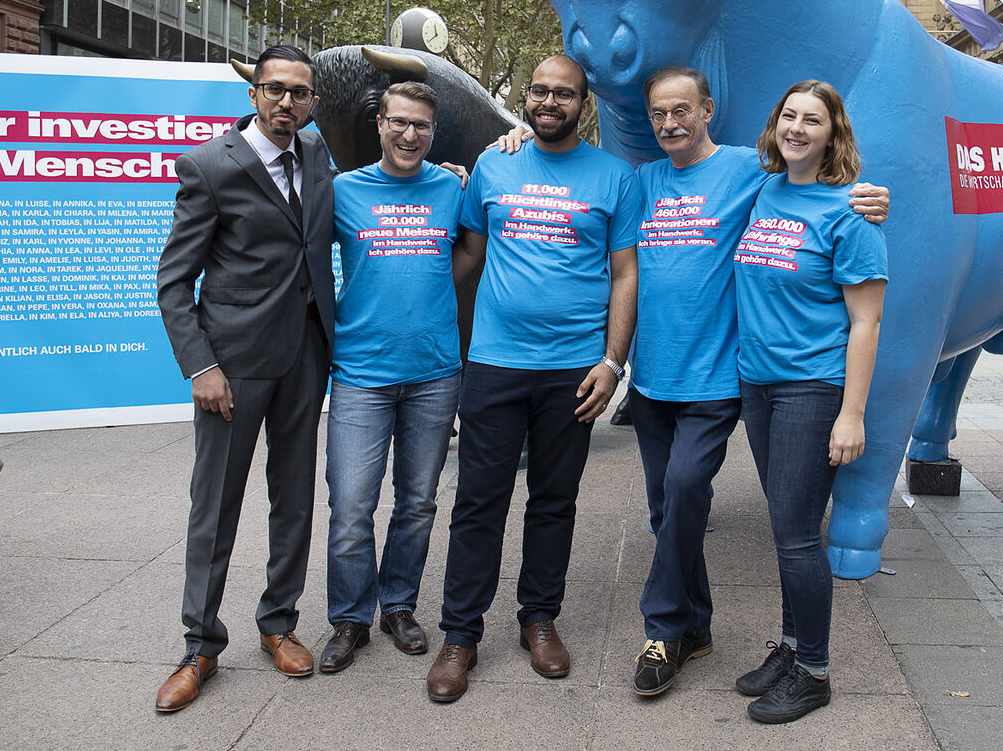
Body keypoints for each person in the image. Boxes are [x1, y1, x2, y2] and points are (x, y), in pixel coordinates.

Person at [623, 68, 887, 698]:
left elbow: (866, 314)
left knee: (758, 518)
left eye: (682, 110)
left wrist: (873, 198)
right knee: (678, 507)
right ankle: (717, 632)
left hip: (758, 381)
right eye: (659, 113)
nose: (670, 123)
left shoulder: (761, 177)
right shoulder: (745, 188)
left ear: (707, 109)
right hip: (715, 380)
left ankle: (681, 632)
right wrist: (513, 135)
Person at [425, 54, 641, 703]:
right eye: (540, 90)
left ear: (584, 104)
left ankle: (538, 618)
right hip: (494, 363)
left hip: (573, 372)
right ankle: (460, 634)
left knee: (555, 500)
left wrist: (612, 362)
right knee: (477, 503)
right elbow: (466, 254)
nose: (550, 101)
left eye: (564, 93)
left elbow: (626, 273)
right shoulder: (496, 163)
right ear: (529, 97)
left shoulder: (613, 177)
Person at [153, 44, 335, 711]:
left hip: (305, 358)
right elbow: (174, 280)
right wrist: (201, 364)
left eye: (300, 92)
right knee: (215, 507)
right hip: (231, 368)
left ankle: (278, 623)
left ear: (312, 101)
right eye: (276, 89)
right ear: (254, 94)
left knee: (293, 499)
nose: (288, 101)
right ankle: (201, 643)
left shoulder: (316, 155)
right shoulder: (208, 165)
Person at [732, 79, 886, 725]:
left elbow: (867, 322)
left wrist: (851, 413)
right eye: (789, 115)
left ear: (833, 133)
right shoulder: (764, 186)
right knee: (785, 525)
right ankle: (794, 647)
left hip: (811, 388)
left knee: (797, 535)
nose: (797, 127)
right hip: (758, 385)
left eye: (812, 119)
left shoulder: (852, 211)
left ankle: (815, 671)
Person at [318, 79, 467, 672]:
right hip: (359, 373)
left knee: (418, 503)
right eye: (399, 122)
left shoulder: (454, 188)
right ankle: (350, 617)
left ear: (434, 132)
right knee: (351, 505)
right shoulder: (343, 191)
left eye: (422, 126)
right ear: (379, 123)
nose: (410, 135)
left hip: (435, 373)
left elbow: (474, 251)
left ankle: (399, 605)